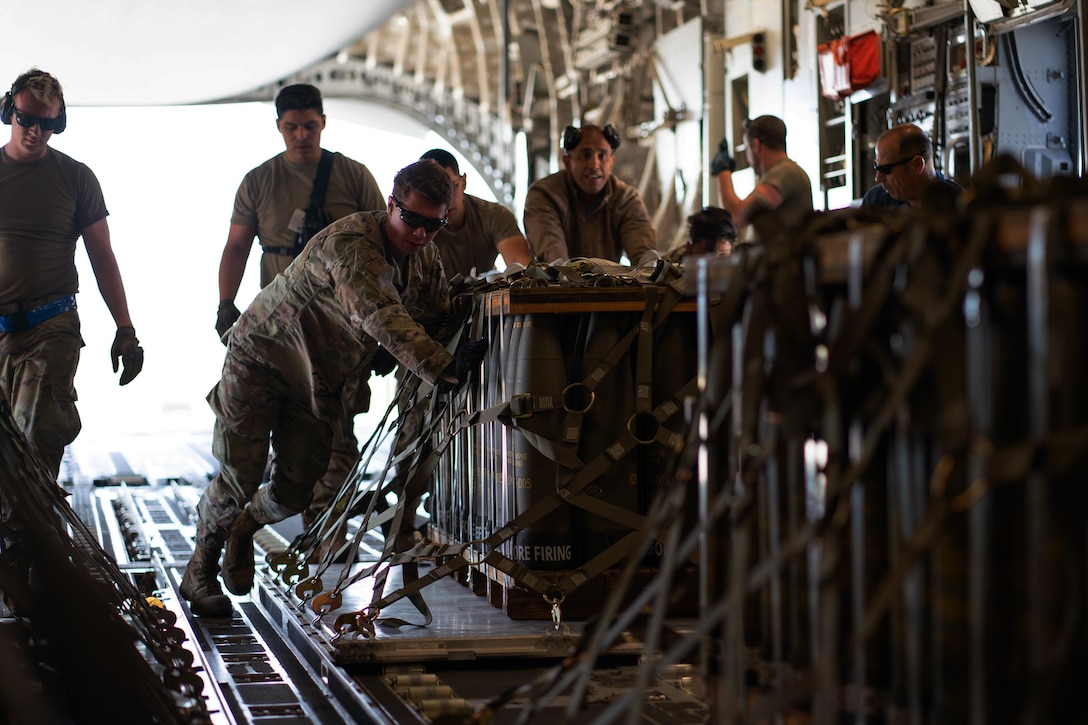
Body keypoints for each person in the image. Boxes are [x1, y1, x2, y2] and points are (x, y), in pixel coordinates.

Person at [180, 160, 488, 617]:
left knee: (295, 489)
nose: (422, 234)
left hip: (318, 380)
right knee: (238, 477)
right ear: (391, 206)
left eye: (435, 225)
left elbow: (436, 310)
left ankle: (244, 527)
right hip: (259, 361)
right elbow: (380, 315)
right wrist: (444, 365)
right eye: (414, 220)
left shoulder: (423, 257)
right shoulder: (352, 245)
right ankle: (200, 570)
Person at [214, 83, 386, 538]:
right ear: (278, 127)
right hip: (277, 333)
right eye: (291, 127)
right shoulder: (259, 181)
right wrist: (226, 305)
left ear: (324, 122)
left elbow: (382, 252)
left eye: (310, 125)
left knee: (337, 436)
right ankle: (257, 523)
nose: (301, 135)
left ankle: (321, 538)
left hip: (341, 334)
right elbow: (236, 246)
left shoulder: (352, 176)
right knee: (271, 433)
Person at [0, 68, 143, 478]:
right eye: (26, 118)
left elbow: (103, 257)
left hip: (51, 327)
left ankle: (39, 537)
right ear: (10, 112)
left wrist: (126, 330)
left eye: (46, 124)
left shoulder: (76, 178)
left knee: (35, 444)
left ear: (58, 123)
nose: (35, 131)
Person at [523, 124, 657, 265]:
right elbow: (552, 255)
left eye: (602, 156)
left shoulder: (626, 199)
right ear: (567, 162)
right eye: (585, 155)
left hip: (609, 286)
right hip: (557, 286)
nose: (594, 164)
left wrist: (650, 267)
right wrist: (563, 274)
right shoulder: (545, 195)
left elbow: (645, 254)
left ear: (611, 163)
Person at [418, 149, 532, 276]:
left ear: (463, 182)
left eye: (452, 187)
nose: (446, 202)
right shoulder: (417, 227)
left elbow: (523, 272)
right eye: (434, 194)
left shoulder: (494, 215)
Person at [713, 115, 813, 239]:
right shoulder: (784, 172)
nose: (747, 159)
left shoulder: (785, 172)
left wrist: (723, 172)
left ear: (756, 145)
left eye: (747, 148)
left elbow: (736, 216)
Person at [860, 123, 964, 209]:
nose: (878, 178)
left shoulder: (960, 207)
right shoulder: (876, 201)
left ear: (917, 165)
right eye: (877, 167)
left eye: (885, 169)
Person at [664, 206, 736, 263]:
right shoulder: (664, 272)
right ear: (689, 248)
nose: (715, 263)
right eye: (708, 255)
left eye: (722, 256)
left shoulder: (738, 263)